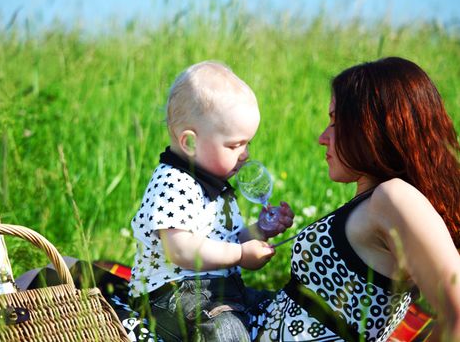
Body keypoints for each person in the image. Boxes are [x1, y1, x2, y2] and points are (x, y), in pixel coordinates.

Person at [252, 57, 460, 341]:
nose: (322, 138)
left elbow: (458, 315)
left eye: (335, 123)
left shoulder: (394, 197)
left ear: (372, 128)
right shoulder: (373, 199)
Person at [128, 60, 295, 341]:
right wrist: (241, 255)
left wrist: (260, 231)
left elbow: (230, 237)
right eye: (234, 145)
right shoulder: (174, 182)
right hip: (170, 294)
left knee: (280, 308)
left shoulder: (218, 185)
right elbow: (182, 250)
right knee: (226, 331)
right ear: (190, 143)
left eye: (247, 143)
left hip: (221, 291)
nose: (245, 154)